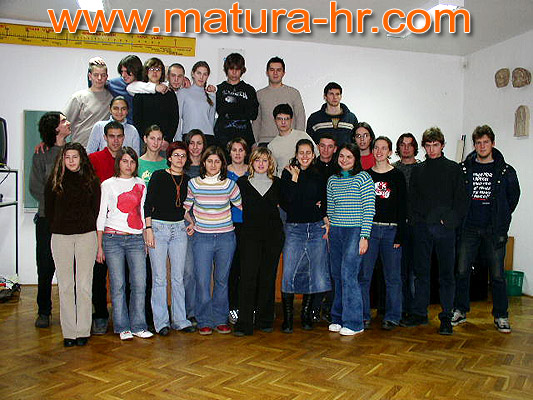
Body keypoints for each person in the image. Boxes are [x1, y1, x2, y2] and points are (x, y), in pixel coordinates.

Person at [452, 125, 520, 333]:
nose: (482, 146)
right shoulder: (464, 169)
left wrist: (501, 217)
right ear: (474, 145)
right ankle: (460, 310)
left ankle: (501, 315)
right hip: (469, 228)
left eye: (486, 142)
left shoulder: (506, 171)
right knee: (462, 271)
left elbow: (513, 198)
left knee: (497, 275)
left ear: (493, 143)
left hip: (493, 230)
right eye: (478, 143)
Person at [401, 127, 468, 335]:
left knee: (446, 275)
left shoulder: (454, 169)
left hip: (445, 230)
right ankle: (420, 313)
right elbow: (412, 200)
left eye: (435, 145)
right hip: (422, 229)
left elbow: (461, 200)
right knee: (421, 273)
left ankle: (446, 317)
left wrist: (448, 221)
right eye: (428, 145)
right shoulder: (419, 170)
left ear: (442, 145)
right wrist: (417, 222)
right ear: (423, 147)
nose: (432, 149)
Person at [44, 143, 100, 347]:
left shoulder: (92, 181)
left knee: (84, 285)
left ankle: (82, 330)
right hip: (61, 237)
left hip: (86, 235)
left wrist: (85, 225)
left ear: (81, 158)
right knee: (66, 285)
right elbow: (49, 210)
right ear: (62, 159)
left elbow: (95, 209)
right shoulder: (54, 181)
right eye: (67, 157)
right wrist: (59, 226)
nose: (71, 161)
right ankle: (69, 332)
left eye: (74, 157)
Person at [183, 146, 242, 335]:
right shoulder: (193, 184)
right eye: (210, 161)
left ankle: (220, 319)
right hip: (202, 239)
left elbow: (242, 206)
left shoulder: (230, 185)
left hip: (226, 238)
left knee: (222, 280)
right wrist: (191, 222)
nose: (213, 165)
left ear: (223, 164)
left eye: (217, 161)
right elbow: (185, 208)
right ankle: (204, 320)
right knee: (202, 281)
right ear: (203, 163)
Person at [96, 147, 153, 341]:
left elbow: (143, 212)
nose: (128, 165)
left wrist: (145, 236)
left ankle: (138, 325)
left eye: (132, 161)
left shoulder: (141, 184)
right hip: (113, 239)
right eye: (125, 161)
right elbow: (101, 215)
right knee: (118, 284)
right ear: (118, 163)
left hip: (136, 239)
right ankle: (122, 326)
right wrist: (99, 246)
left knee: (139, 283)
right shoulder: (107, 184)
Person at [144, 141, 196, 336]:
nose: (179, 159)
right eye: (176, 155)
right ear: (169, 157)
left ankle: (180, 320)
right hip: (158, 228)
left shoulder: (188, 180)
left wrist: (191, 222)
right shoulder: (159, 176)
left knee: (178, 277)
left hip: (179, 230)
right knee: (159, 278)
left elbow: (183, 208)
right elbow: (148, 204)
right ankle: (161, 322)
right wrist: (148, 229)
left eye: (183, 156)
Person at [280, 139, 330, 333]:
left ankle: (306, 315)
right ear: (296, 154)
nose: (305, 156)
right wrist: (294, 179)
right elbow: (287, 202)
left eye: (308, 152)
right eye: (301, 152)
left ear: (314, 154)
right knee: (289, 272)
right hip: (294, 229)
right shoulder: (288, 173)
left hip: (316, 228)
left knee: (313, 272)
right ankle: (288, 318)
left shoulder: (319, 174)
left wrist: (325, 218)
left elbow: (323, 200)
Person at [234, 147, 284, 336]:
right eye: (257, 160)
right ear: (252, 162)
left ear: (270, 163)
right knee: (248, 278)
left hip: (273, 236)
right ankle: (244, 323)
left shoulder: (278, 183)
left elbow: (289, 202)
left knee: (268, 277)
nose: (261, 163)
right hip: (249, 236)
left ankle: (265, 319)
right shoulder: (242, 182)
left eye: (265, 160)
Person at [327, 143, 375, 336]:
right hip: (336, 231)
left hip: (355, 231)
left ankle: (355, 323)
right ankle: (338, 318)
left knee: (349, 275)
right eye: (341, 156)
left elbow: (369, 209)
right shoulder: (332, 180)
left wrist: (365, 236)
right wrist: (330, 229)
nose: (344, 160)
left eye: (349, 157)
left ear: (356, 159)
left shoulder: (364, 178)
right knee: (337, 275)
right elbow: (331, 208)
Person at [359, 137, 407, 331]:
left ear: (390, 152)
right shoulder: (365, 176)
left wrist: (400, 235)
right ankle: (363, 316)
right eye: (376, 148)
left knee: (393, 278)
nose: (379, 151)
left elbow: (403, 207)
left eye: (383, 148)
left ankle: (393, 316)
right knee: (364, 276)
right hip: (369, 230)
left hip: (390, 231)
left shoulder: (397, 176)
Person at [30, 112, 71, 328]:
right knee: (45, 267)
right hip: (47, 218)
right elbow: (35, 187)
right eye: (63, 121)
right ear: (55, 128)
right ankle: (44, 311)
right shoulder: (41, 153)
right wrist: (56, 203)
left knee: (71, 269)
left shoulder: (74, 152)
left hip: (70, 220)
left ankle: (71, 312)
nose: (68, 123)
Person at [88, 120, 126, 335]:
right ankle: (101, 315)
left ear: (123, 138)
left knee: (124, 276)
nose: (115, 140)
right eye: (111, 136)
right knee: (98, 274)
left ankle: (125, 316)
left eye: (119, 136)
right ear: (105, 138)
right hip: (100, 225)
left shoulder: (128, 160)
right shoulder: (94, 159)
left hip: (123, 227)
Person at [392, 133, 421, 319]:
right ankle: (400, 308)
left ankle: (415, 309)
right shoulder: (393, 169)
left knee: (416, 271)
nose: (406, 148)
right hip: (398, 226)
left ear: (415, 148)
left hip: (418, 226)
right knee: (399, 270)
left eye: (410, 145)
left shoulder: (422, 169)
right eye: (403, 144)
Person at [182, 129, 207, 324]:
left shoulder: (210, 168)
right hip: (187, 224)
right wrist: (190, 219)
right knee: (189, 271)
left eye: (199, 143)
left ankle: (203, 310)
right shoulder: (181, 168)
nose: (195, 147)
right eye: (192, 143)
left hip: (207, 224)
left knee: (203, 273)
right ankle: (189, 311)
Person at [253, 57, 306, 146]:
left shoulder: (293, 93)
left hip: (288, 141)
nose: (275, 73)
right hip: (265, 142)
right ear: (267, 72)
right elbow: (256, 121)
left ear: (283, 73)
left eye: (278, 70)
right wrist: (255, 143)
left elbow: (300, 117)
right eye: (272, 70)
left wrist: (298, 141)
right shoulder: (259, 94)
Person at [226, 137, 249, 325]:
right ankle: (232, 307)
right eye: (234, 150)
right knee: (232, 268)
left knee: (247, 268)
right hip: (229, 225)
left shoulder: (253, 170)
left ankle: (248, 306)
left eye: (241, 150)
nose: (238, 153)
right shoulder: (223, 172)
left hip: (249, 225)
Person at [132, 57, 178, 151]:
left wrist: (167, 139)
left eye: (158, 69)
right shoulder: (140, 93)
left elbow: (174, 119)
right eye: (151, 69)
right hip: (145, 141)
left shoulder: (168, 93)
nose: (155, 72)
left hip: (163, 142)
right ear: (146, 71)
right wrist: (145, 138)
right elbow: (137, 119)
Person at [64, 60, 113, 147]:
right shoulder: (79, 97)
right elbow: (63, 122)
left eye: (103, 75)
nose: (99, 78)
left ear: (106, 77)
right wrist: (49, 141)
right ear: (90, 76)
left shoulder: (111, 98)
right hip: (81, 147)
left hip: (101, 148)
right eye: (96, 75)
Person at [215, 53, 259, 148]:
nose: (234, 72)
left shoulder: (249, 90)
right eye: (231, 69)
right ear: (226, 69)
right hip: (223, 138)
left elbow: (253, 114)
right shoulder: (219, 89)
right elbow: (220, 110)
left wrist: (231, 108)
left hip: (244, 137)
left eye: (237, 69)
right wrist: (241, 108)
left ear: (242, 70)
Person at [268, 104, 317, 177]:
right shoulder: (272, 145)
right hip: (284, 180)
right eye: (280, 119)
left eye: (286, 119)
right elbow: (273, 171)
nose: (283, 122)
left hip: (306, 178)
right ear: (275, 121)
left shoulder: (302, 135)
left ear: (291, 120)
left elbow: (316, 155)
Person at [306, 82, 358, 147]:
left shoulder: (351, 119)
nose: (335, 97)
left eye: (337, 94)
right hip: (322, 154)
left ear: (341, 96)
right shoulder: (314, 119)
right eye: (331, 94)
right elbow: (309, 144)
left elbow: (356, 142)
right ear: (325, 96)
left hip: (345, 153)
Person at [177, 61, 216, 146]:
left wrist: (213, 95)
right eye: (199, 73)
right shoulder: (183, 92)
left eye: (205, 74)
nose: (201, 77)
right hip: (189, 136)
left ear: (207, 76)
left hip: (208, 137)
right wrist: (178, 139)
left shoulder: (211, 95)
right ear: (193, 74)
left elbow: (211, 120)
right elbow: (177, 118)